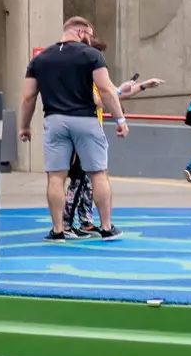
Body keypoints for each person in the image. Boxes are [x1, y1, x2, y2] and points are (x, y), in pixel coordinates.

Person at [19, 15, 129, 242]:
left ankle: (58, 230)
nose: (90, 40)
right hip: (85, 119)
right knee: (98, 174)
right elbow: (106, 89)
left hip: (54, 120)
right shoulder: (91, 55)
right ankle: (106, 228)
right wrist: (119, 119)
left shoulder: (40, 59)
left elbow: (29, 96)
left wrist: (24, 126)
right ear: (81, 32)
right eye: (89, 35)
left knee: (56, 177)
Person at [63, 40, 161, 236]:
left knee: (89, 182)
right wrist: (117, 92)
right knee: (79, 180)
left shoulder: (95, 78)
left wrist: (142, 86)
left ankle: (85, 220)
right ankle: (66, 223)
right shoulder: (82, 79)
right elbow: (99, 98)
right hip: (82, 133)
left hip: (91, 133)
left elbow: (114, 95)